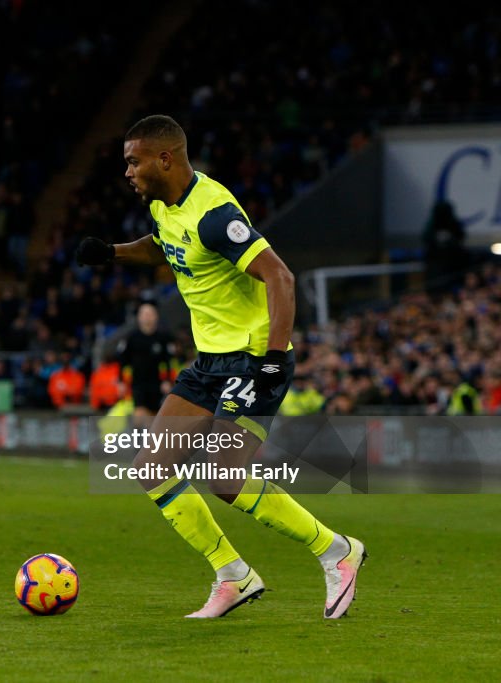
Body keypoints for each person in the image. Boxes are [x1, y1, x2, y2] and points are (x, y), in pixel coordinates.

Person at [75, 115, 365, 619]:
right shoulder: (165, 206)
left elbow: (280, 276)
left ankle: (336, 551)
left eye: (133, 161)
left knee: (226, 476)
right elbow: (164, 248)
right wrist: (113, 254)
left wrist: (274, 358)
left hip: (253, 359)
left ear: (165, 158)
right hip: (210, 361)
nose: (127, 171)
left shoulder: (214, 213)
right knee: (153, 469)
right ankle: (233, 574)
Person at [116, 302, 171, 420]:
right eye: (144, 314)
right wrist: (120, 382)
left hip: (157, 384)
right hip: (138, 384)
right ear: (139, 317)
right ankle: (141, 437)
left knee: (155, 417)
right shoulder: (131, 338)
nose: (147, 317)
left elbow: (168, 362)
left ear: (156, 316)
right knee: (140, 416)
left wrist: (167, 380)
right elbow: (122, 362)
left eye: (150, 314)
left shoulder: (163, 338)